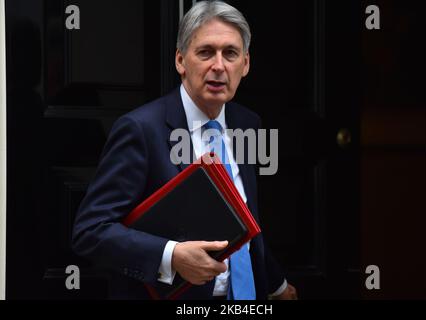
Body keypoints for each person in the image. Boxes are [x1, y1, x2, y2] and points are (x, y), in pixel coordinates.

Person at [72, 0, 297, 300]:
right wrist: (172, 256)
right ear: (180, 61)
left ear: (245, 64)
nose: (218, 66)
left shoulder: (248, 123)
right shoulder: (141, 130)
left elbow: (244, 222)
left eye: (230, 53)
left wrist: (276, 286)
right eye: (205, 52)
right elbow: (91, 231)